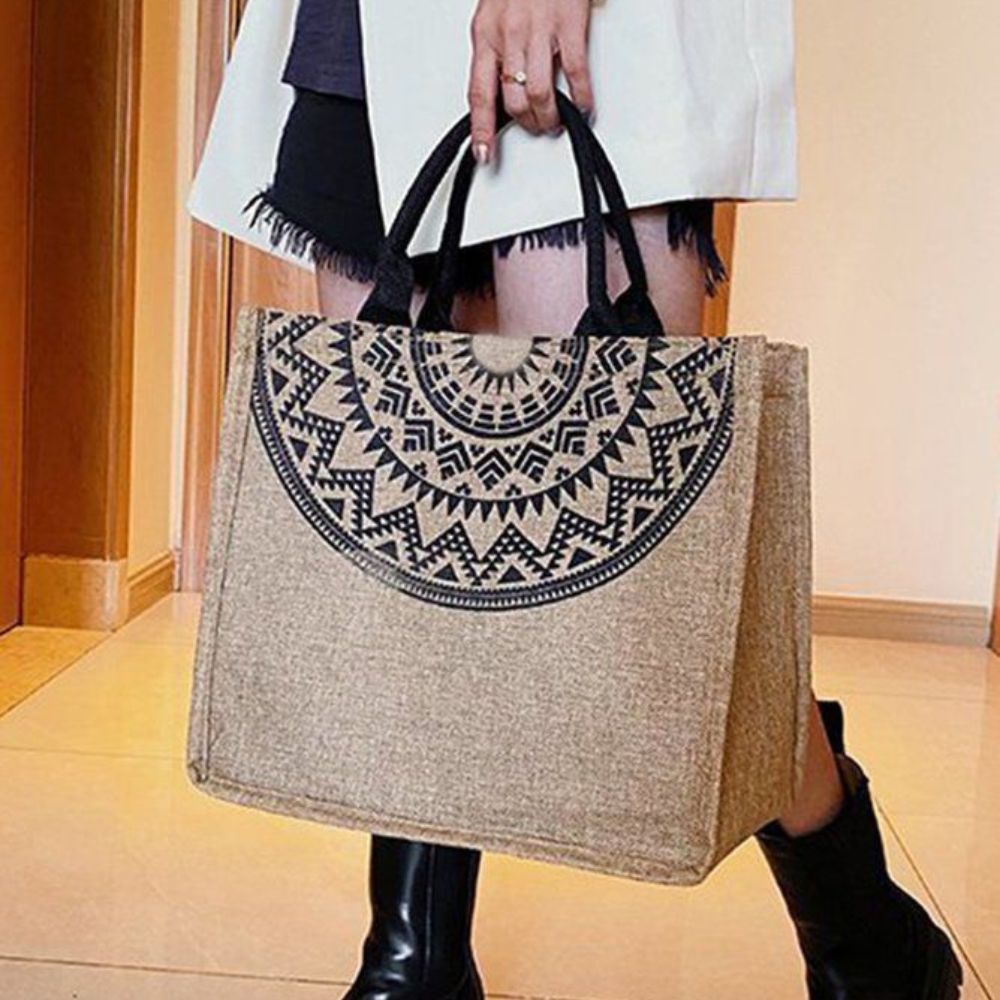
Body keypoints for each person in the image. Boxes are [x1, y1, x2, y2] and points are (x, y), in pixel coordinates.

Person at [242, 2, 963, 998]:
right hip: (368, 29)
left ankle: (868, 933)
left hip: (588, 33)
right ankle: (413, 959)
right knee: (415, 536)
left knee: (643, 556)